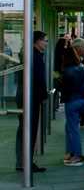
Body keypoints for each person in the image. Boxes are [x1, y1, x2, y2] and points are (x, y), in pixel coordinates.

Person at [15, 31, 49, 172]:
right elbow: (37, 79)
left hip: (30, 95)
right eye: (45, 40)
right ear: (37, 41)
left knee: (25, 128)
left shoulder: (34, 54)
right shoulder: (33, 56)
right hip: (30, 97)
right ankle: (25, 162)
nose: (46, 43)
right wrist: (44, 96)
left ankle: (23, 161)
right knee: (28, 128)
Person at [61, 47, 84, 166]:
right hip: (82, 99)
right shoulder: (81, 67)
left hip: (71, 101)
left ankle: (76, 154)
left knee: (72, 129)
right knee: (70, 127)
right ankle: (71, 152)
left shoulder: (67, 71)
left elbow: (65, 88)